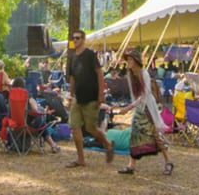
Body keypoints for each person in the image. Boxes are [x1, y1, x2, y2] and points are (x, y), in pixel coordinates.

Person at [113, 50, 171, 176]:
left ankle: (168, 162)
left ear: (136, 61)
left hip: (148, 108)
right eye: (127, 60)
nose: (128, 62)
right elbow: (135, 96)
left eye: (130, 60)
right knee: (135, 135)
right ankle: (131, 166)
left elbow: (145, 94)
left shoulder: (144, 73)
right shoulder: (131, 75)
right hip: (139, 108)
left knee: (155, 135)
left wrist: (128, 108)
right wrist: (131, 107)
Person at [63, 29, 113, 168]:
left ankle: (108, 144)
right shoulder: (73, 57)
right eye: (74, 38)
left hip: (91, 98)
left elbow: (99, 73)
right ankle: (81, 159)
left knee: (91, 129)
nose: (75, 40)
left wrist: (101, 94)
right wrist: (70, 96)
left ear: (84, 40)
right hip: (77, 99)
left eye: (78, 38)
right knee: (74, 127)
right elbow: (72, 78)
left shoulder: (90, 55)